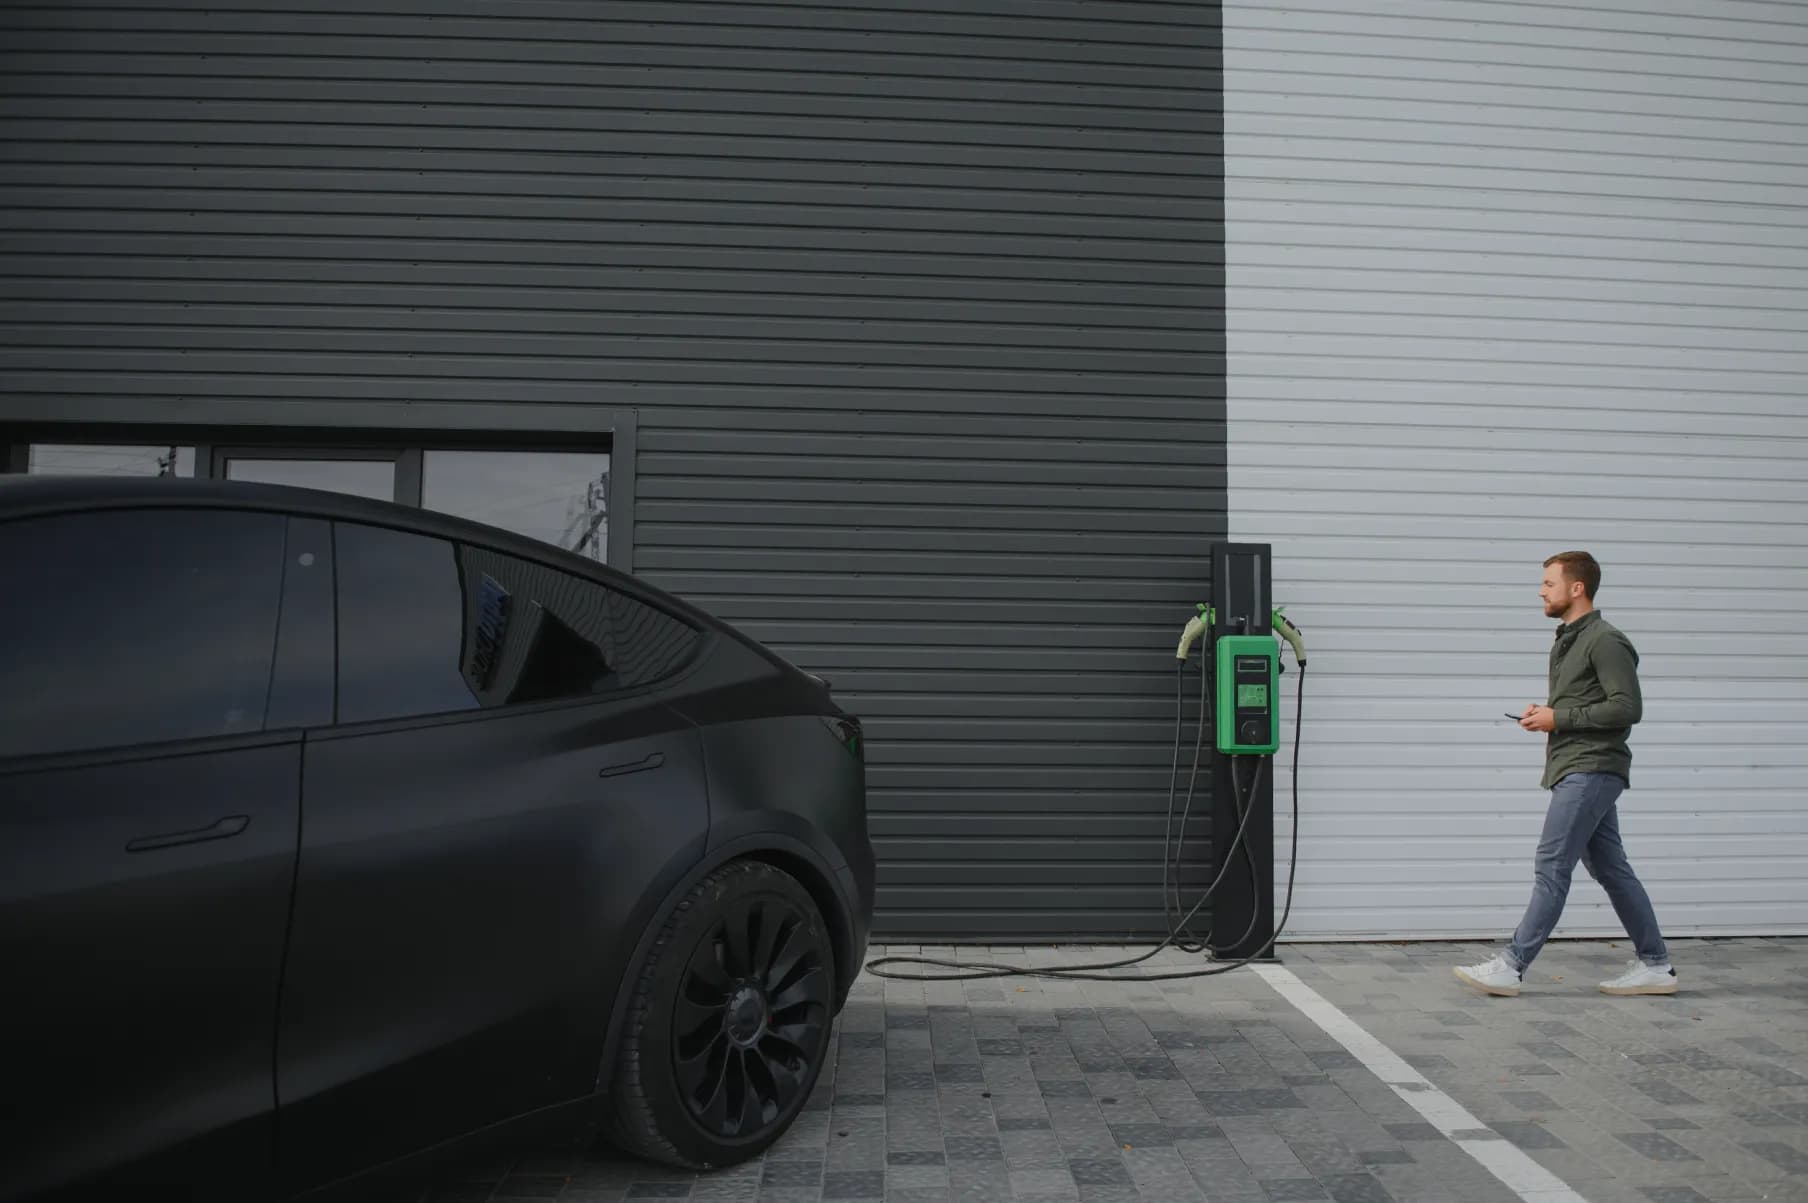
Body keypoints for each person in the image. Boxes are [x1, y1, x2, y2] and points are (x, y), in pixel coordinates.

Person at [1455, 551, 1676, 998]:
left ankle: (1512, 965)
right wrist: (1547, 714)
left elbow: (1627, 708)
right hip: (1577, 767)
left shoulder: (1605, 640)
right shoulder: (1570, 640)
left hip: (1591, 768)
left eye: (1549, 583)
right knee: (1612, 869)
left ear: (1577, 588)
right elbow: (1581, 706)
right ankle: (1655, 964)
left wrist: (1560, 718)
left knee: (1552, 866)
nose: (1541, 590)